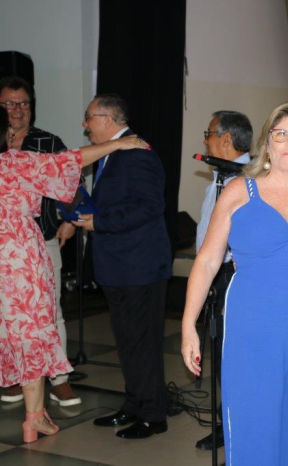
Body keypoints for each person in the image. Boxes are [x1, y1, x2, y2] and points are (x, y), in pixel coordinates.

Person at [182, 100, 288, 465]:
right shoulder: (239, 190)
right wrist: (188, 325)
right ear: (267, 142)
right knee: (254, 426)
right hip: (252, 329)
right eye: (281, 134)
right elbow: (207, 261)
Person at [0, 107, 147, 443]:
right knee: (31, 333)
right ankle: (34, 418)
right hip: (18, 258)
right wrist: (117, 144)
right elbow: (69, 161)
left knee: (11, 334)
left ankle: (35, 414)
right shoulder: (14, 163)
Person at [76, 94, 172, 439]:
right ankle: (134, 404)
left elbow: (149, 206)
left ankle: (153, 415)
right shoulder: (114, 152)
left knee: (142, 343)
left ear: (107, 118)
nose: (85, 125)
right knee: (128, 342)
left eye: (89, 117)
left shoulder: (137, 153)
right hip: (120, 265)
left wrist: (99, 222)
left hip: (138, 266)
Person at [0, 76, 81, 407]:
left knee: (48, 311)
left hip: (39, 240)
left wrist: (69, 221)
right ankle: (16, 376)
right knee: (6, 316)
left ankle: (59, 380)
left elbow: (73, 182)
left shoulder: (48, 141)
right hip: (3, 247)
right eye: (10, 103)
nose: (18, 110)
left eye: (24, 103)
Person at [193, 111, 252, 451]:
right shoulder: (219, 176)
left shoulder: (249, 180)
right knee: (218, 352)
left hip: (233, 274)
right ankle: (224, 423)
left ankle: (239, 429)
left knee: (235, 356)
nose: (205, 140)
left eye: (209, 133)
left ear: (226, 139)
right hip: (213, 274)